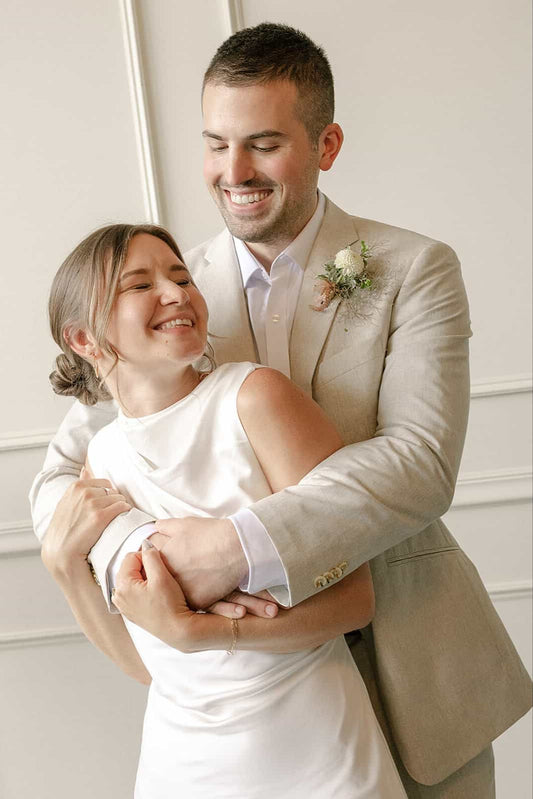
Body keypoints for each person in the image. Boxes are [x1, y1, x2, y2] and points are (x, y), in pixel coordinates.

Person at [31, 23, 531, 798]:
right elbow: (65, 472)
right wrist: (150, 552)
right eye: (216, 143)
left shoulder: (412, 268)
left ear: (325, 145)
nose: (234, 172)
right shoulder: (169, 289)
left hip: (410, 654)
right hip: (242, 699)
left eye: (263, 143)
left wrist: (236, 546)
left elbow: (420, 462)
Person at [41, 222, 408, 798]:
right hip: (181, 760)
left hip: (315, 749)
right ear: (85, 339)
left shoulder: (256, 396)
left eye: (182, 276)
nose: (176, 292)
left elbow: (354, 600)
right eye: (140, 285)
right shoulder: (102, 459)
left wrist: (204, 632)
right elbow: (146, 662)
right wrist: (65, 570)